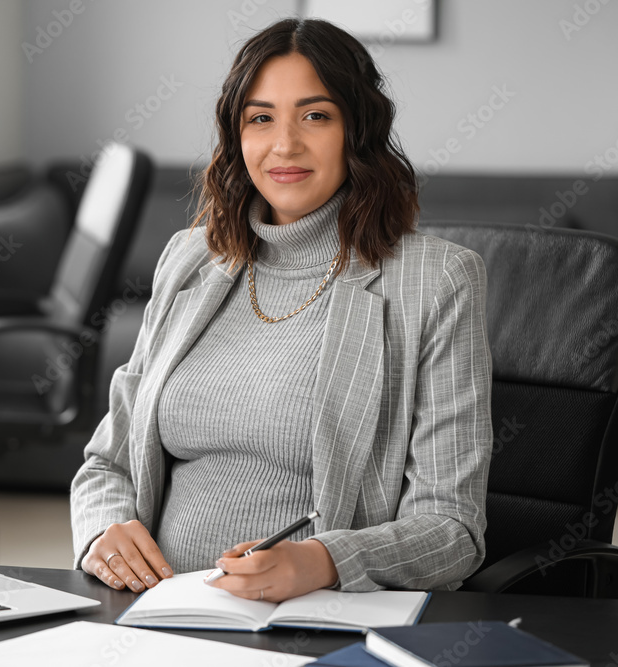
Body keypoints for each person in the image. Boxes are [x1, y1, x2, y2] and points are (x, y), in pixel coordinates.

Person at [70, 17, 492, 603]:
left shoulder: (437, 280)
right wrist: (101, 529)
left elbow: (454, 531)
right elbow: (105, 462)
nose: (284, 145)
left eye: (315, 116)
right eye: (260, 118)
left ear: (357, 131)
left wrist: (322, 562)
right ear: (236, 136)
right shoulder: (190, 259)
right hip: (156, 610)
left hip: (310, 619)